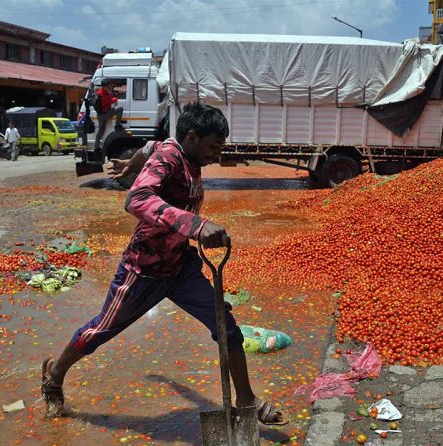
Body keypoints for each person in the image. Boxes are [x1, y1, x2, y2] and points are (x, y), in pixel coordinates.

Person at [41, 103, 287, 426]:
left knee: (225, 325)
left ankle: (246, 399)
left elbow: (148, 147)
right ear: (192, 136)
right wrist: (194, 224)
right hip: (143, 269)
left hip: (181, 268)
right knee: (99, 330)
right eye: (213, 147)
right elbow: (137, 199)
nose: (216, 156)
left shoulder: (177, 151)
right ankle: (54, 374)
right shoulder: (170, 158)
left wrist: (131, 163)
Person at [93, 78, 124, 151]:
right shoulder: (103, 94)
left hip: (99, 115)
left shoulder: (99, 92)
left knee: (101, 131)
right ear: (105, 86)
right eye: (109, 85)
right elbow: (111, 101)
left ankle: (96, 147)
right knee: (120, 108)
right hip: (105, 114)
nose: (110, 87)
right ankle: (117, 125)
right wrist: (117, 98)